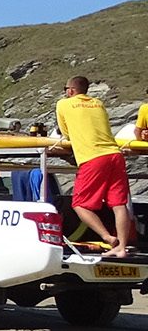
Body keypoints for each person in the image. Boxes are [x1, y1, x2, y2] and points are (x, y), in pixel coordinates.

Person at [56, 76, 133, 258]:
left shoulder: (64, 104)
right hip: (115, 154)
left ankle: (107, 237)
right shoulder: (98, 103)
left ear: (70, 91)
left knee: (80, 204)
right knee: (119, 204)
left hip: (93, 157)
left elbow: (66, 133)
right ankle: (121, 248)